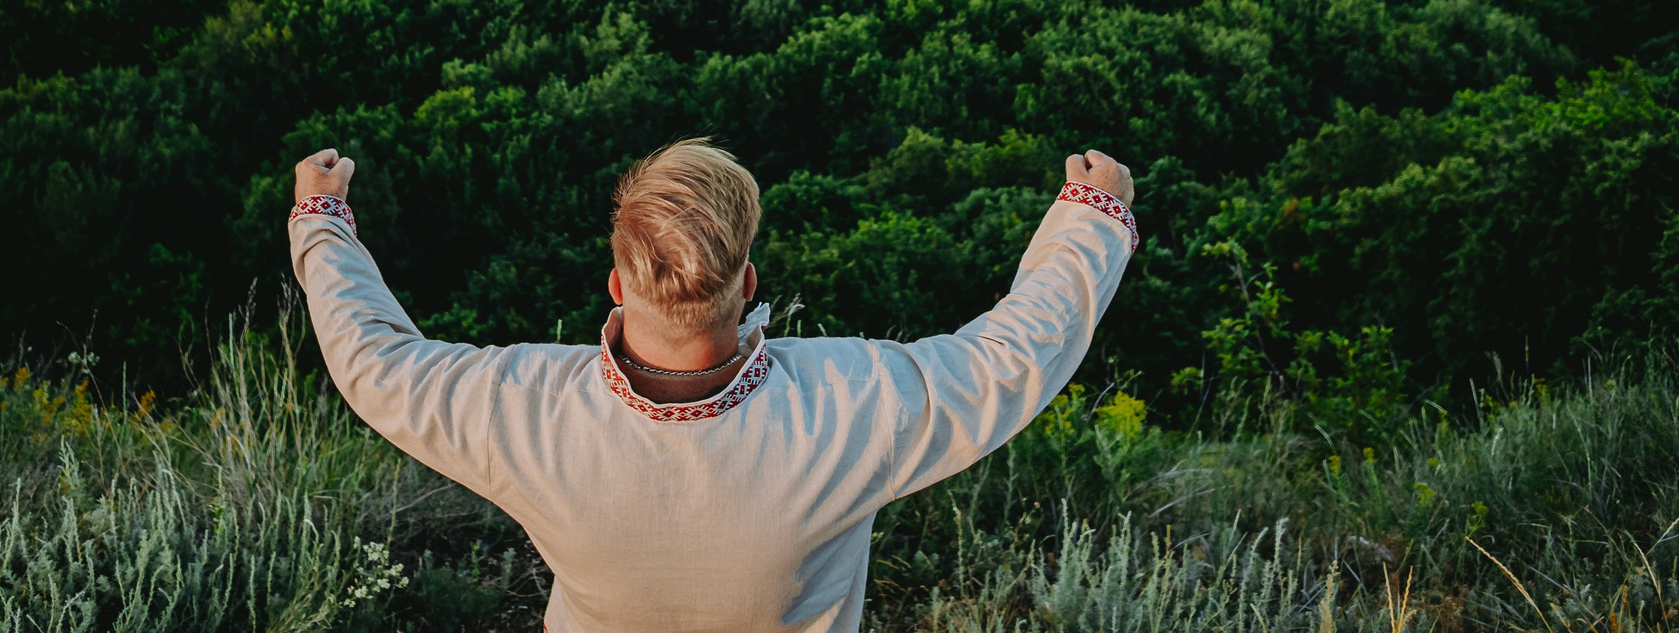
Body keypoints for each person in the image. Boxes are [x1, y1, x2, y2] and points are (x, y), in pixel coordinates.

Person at [287, 135, 1139, 632]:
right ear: (750, 279)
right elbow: (1016, 354)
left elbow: (375, 360)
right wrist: (1089, 217)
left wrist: (320, 219)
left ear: (619, 287)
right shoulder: (855, 405)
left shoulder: (521, 410)